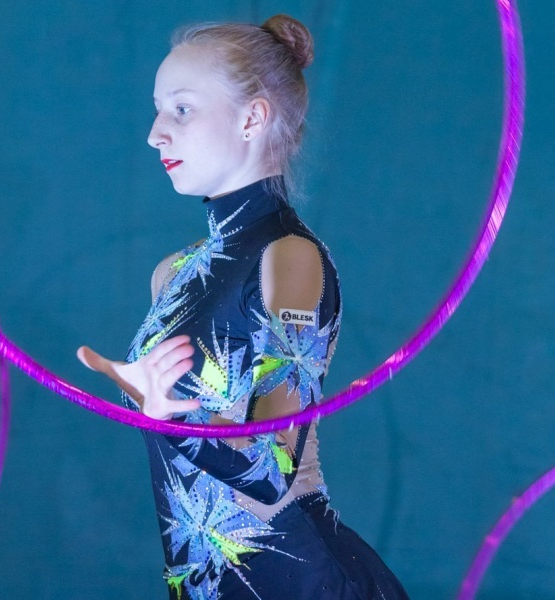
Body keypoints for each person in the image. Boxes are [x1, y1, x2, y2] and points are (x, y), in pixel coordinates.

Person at [77, 14, 409, 600]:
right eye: (157, 110)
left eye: (181, 109)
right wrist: (152, 401)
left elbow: (273, 468)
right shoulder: (172, 274)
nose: (155, 133)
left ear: (252, 118)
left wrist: (170, 415)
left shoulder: (289, 258)